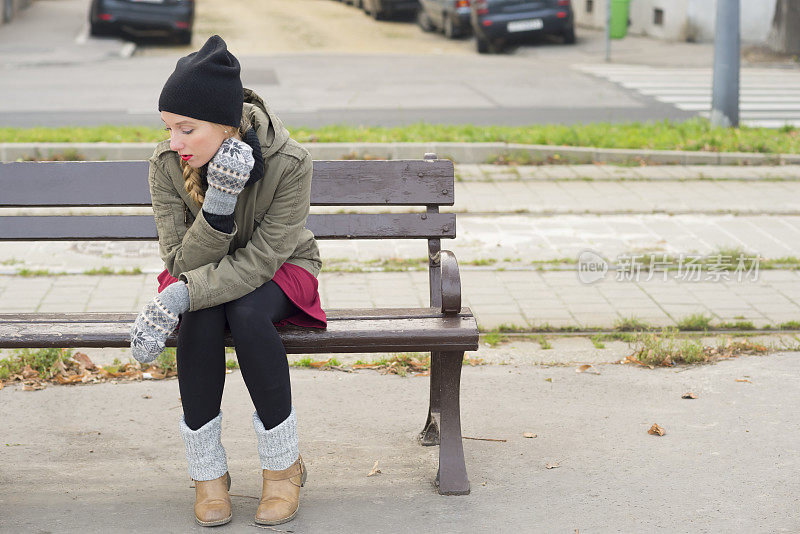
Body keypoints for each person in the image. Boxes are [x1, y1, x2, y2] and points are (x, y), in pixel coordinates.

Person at [129, 34, 326, 527]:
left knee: (244, 310)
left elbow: (262, 261)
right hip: (197, 273)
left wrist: (183, 293)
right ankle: (208, 475)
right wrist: (217, 206)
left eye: (185, 129)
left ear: (224, 125)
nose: (174, 142)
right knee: (200, 315)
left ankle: (283, 468)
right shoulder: (167, 165)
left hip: (281, 270)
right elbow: (179, 264)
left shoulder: (290, 162)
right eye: (169, 128)